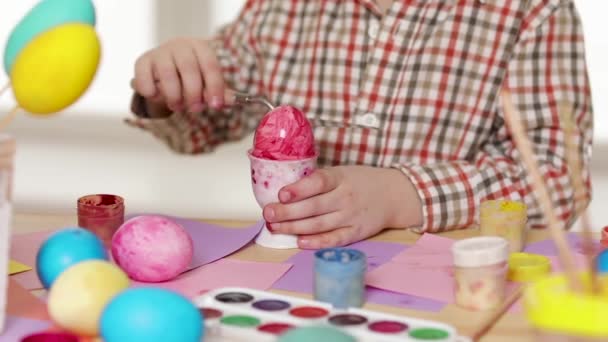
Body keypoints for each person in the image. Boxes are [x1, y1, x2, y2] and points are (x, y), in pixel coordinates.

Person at [127, 0, 593, 249]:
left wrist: (401, 195)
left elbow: (557, 180)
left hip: (455, 292)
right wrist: (166, 88)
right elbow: (202, 126)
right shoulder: (278, 9)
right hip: (300, 280)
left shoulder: (535, 11)